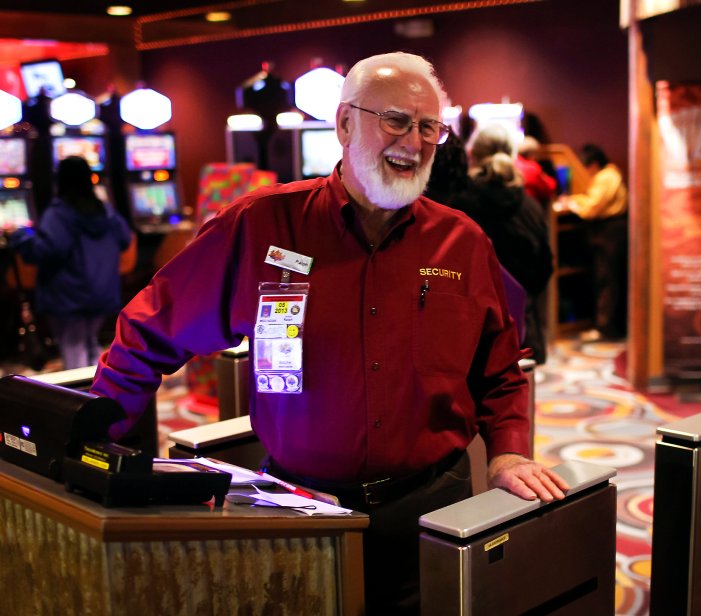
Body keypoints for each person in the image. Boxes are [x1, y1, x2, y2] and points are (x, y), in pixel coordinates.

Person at [90, 52, 568, 615]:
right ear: (343, 124)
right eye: (395, 120)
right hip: (299, 510)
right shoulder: (261, 225)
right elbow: (149, 331)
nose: (413, 143)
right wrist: (91, 444)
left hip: (431, 514)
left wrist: (509, 454)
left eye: (428, 127)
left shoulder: (461, 242)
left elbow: (501, 370)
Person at [426, 128, 554, 364]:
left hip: (474, 334)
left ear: (472, 154)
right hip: (523, 330)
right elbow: (545, 266)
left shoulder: (457, 207)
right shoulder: (531, 206)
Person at [11, 155, 132, 369]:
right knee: (90, 342)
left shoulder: (60, 213)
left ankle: (80, 398)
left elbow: (47, 249)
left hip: (69, 295)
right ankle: (97, 392)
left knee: (72, 346)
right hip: (103, 292)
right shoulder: (106, 211)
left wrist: (20, 236)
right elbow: (124, 239)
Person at [556, 143, 628, 340]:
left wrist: (572, 203)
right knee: (608, 278)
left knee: (606, 279)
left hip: (609, 232)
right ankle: (608, 326)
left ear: (594, 164)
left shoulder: (606, 177)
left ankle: (605, 328)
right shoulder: (611, 174)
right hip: (613, 231)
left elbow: (592, 207)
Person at [515, 135, 557, 207]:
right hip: (528, 207)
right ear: (532, 153)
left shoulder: (513, 163)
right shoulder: (532, 168)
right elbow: (549, 187)